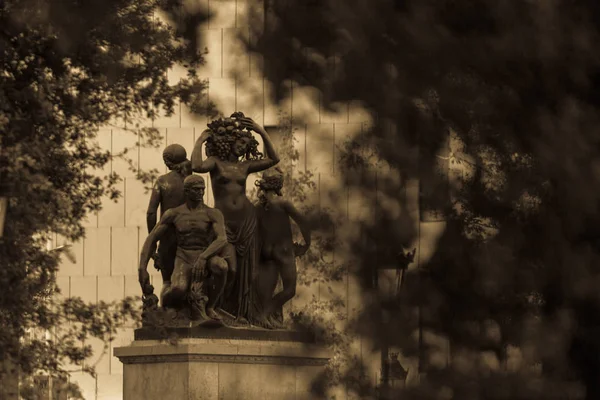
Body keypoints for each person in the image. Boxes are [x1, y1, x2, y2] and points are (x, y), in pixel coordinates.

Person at [191, 112, 280, 323]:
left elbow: (274, 159)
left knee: (249, 272)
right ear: (229, 142)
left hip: (247, 221)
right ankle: (216, 306)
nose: (241, 147)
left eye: (244, 144)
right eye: (238, 142)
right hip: (224, 223)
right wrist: (201, 139)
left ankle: (243, 315)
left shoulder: (245, 166)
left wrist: (260, 131)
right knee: (229, 268)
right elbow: (196, 166)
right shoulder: (215, 163)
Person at [138, 175, 228, 320]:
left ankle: (210, 306)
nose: (200, 193)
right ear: (186, 191)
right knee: (178, 290)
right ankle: (168, 302)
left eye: (202, 189)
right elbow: (152, 238)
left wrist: (204, 257)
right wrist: (142, 268)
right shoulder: (174, 214)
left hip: (206, 255)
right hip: (184, 258)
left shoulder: (213, 213)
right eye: (196, 189)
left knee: (221, 266)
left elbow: (222, 239)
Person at [254, 167, 311, 328]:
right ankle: (264, 312)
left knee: (268, 289)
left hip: (266, 253)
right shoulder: (283, 203)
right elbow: (304, 222)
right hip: (283, 251)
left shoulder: (257, 206)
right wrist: (307, 244)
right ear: (279, 185)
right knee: (289, 290)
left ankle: (267, 313)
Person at [146, 144, 192, 303]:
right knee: (191, 281)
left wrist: (153, 239)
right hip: (192, 236)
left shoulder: (162, 182)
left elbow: (151, 213)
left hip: (168, 236)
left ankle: (166, 313)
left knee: (167, 280)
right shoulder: (191, 181)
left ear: (167, 161)